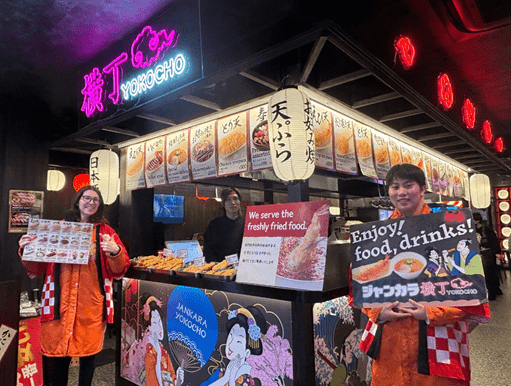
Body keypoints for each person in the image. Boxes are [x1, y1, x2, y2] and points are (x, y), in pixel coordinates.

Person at [354, 164, 489, 386]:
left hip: (439, 340)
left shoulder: (449, 230)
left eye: (408, 185)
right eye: (395, 186)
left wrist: (430, 312)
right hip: (391, 340)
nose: (401, 192)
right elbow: (359, 287)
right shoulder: (376, 236)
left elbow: (473, 293)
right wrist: (378, 311)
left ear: (423, 188)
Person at [18, 185, 130, 386]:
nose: (91, 202)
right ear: (78, 201)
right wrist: (28, 249)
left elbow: (119, 271)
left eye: (96, 200)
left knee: (88, 362)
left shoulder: (105, 232)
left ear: (100, 205)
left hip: (91, 305)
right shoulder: (57, 228)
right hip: (59, 303)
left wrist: (115, 251)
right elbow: (38, 267)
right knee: (59, 362)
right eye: (87, 198)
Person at [198, 306, 267, 386]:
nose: (230, 344)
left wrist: (231, 381)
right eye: (231, 336)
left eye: (238, 341)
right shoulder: (221, 372)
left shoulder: (247, 380)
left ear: (247, 352)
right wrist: (225, 378)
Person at [142, 294, 184, 386]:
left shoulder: (163, 352)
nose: (159, 327)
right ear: (148, 326)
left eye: (160, 321)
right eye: (154, 322)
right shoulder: (147, 352)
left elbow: (171, 378)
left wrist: (178, 380)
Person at [203, 187, 245, 262]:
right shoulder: (214, 225)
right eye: (228, 199)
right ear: (223, 203)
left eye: (235, 199)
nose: (232, 202)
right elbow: (208, 251)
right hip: (219, 269)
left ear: (240, 202)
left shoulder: (247, 224)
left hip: (242, 268)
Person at [472, 212, 502, 300]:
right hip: (483, 253)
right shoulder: (478, 229)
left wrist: (496, 252)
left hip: (488, 253)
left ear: (477, 220)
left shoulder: (486, 229)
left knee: (489, 273)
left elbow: (493, 241)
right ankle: (495, 290)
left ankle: (492, 293)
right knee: (490, 273)